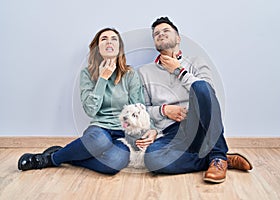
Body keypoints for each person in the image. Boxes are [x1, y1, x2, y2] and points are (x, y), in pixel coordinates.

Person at [136, 17, 253, 183]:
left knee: (201, 86)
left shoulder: (197, 62)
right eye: (156, 34)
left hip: (199, 126)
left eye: (166, 31)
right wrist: (163, 110)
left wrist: (179, 71)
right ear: (155, 42)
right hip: (171, 131)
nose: (160, 34)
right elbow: (144, 109)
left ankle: (218, 156)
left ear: (178, 38)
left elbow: (208, 94)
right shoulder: (144, 72)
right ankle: (214, 160)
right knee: (152, 160)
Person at [18, 27, 146, 174]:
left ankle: (67, 155)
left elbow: (139, 108)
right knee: (99, 141)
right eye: (104, 39)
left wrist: (146, 133)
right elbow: (90, 110)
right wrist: (103, 78)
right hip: (100, 128)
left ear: (120, 48)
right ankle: (49, 159)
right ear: (97, 48)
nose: (109, 42)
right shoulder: (87, 73)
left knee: (115, 162)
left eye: (114, 39)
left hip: (124, 132)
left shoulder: (130, 74)